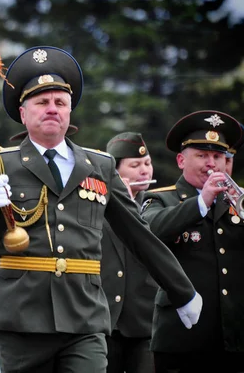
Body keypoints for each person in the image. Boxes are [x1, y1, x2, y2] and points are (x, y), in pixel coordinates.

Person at [0, 46, 202, 373]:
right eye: (41, 102)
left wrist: (181, 290)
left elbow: (139, 236)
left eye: (60, 102)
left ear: (69, 112)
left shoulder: (99, 166)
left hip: (85, 315)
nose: (52, 109)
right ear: (23, 113)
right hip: (22, 319)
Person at [141, 110, 244, 373]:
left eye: (218, 156)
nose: (212, 164)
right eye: (202, 155)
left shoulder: (237, 202)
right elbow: (150, 232)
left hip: (234, 339)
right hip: (182, 341)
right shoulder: (159, 199)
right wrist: (201, 201)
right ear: (180, 160)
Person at [101, 132, 157, 373]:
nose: (144, 171)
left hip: (144, 320)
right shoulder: (96, 204)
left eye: (147, 163)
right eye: (135, 165)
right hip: (105, 320)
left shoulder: (157, 205)